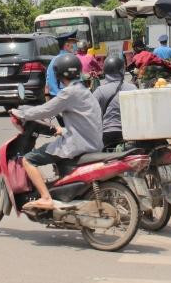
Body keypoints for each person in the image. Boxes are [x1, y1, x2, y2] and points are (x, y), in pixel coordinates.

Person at [13, 53, 103, 210]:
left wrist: (21, 113)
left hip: (78, 145)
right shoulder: (84, 90)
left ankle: (46, 197)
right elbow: (84, 119)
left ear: (60, 74)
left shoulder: (69, 92)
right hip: (91, 142)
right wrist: (63, 130)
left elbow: (46, 110)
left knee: (28, 160)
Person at [93, 53, 136, 148]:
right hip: (129, 134)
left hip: (107, 133)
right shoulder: (132, 88)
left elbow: (93, 115)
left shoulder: (100, 91)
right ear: (122, 70)